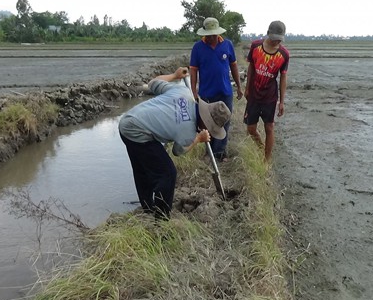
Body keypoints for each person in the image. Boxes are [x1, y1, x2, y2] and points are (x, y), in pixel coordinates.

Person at [118, 67, 231, 220]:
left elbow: (154, 83)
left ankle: (147, 208)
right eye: (210, 128)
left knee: (143, 169)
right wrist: (198, 139)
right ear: (206, 121)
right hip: (135, 132)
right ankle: (161, 217)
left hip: (129, 119)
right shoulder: (187, 132)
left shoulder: (183, 92)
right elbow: (178, 151)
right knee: (167, 173)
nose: (209, 130)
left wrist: (174, 76)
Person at [189, 17, 243, 162]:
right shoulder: (198, 48)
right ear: (204, 34)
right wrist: (193, 91)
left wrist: (238, 86)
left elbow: (234, 66)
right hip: (206, 92)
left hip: (225, 91)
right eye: (209, 35)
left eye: (214, 34)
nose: (212, 37)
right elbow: (193, 71)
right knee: (207, 123)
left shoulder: (227, 45)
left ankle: (221, 152)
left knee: (224, 120)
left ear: (218, 33)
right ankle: (210, 152)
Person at [243, 20, 290, 162]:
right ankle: (260, 147)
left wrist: (281, 102)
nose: (277, 41)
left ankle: (266, 160)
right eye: (275, 38)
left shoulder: (284, 54)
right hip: (254, 94)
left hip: (270, 96)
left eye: (279, 39)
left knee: (269, 127)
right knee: (250, 129)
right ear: (268, 33)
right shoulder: (256, 46)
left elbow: (283, 78)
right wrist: (246, 88)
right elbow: (251, 67)